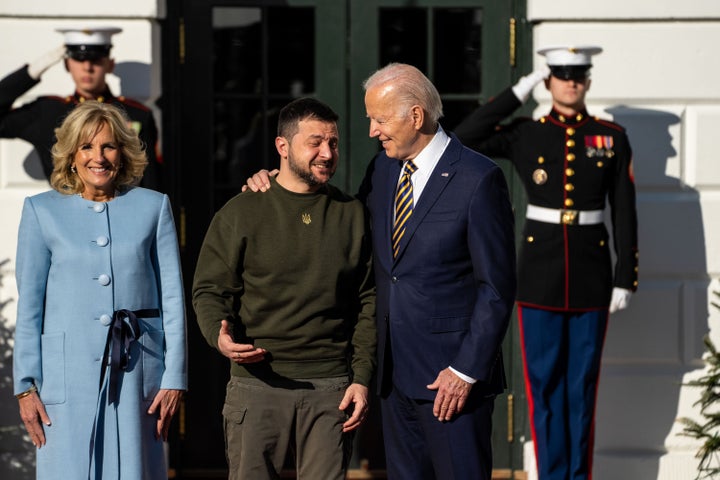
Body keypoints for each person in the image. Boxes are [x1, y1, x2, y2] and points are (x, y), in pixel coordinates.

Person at [246, 64, 517, 480]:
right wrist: (276, 184)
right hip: (395, 378)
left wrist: (465, 371)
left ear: (416, 116)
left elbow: (496, 288)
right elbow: (339, 223)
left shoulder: (479, 179)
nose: (372, 131)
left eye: (379, 119)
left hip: (451, 382)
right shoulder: (384, 170)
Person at [454, 46, 639, 480]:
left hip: (593, 276)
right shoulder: (526, 133)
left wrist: (624, 275)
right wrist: (519, 90)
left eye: (578, 75)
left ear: (588, 82)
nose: (570, 81)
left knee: (582, 388)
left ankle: (578, 476)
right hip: (539, 276)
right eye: (560, 74)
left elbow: (625, 210)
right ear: (549, 81)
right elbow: (464, 136)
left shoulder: (611, 136)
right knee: (545, 388)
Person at [192, 97, 376, 480]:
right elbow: (210, 289)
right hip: (257, 386)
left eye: (334, 142)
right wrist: (219, 337)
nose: (327, 153)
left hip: (330, 388)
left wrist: (360, 377)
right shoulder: (241, 212)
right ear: (282, 147)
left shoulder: (352, 214)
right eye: (315, 142)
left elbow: (368, 301)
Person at [13, 101, 186, 479]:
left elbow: (172, 299)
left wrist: (174, 377)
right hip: (65, 380)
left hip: (138, 374)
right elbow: (30, 307)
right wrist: (25, 387)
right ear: (71, 155)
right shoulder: (42, 211)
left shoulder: (153, 208)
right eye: (87, 147)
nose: (99, 157)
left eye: (108, 146)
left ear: (122, 154)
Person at [0, 26, 162, 190]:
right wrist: (33, 71)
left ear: (110, 64)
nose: (87, 67)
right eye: (79, 59)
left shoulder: (136, 114)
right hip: (65, 210)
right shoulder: (47, 112)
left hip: (123, 209)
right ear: (66, 64)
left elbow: (151, 179)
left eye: (96, 60)